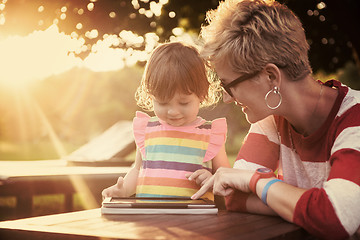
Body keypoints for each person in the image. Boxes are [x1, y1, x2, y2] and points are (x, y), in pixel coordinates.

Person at [188, 0, 360, 239]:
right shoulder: (271, 118)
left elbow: (334, 218)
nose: (227, 98)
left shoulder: (355, 118)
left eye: (229, 85)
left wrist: (256, 182)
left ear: (271, 76)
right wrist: (304, 203)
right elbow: (233, 196)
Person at [102, 42, 230, 200]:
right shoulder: (147, 130)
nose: (173, 111)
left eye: (184, 103)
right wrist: (123, 190)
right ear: (151, 96)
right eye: (162, 102)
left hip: (194, 218)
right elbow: (137, 170)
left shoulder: (210, 134)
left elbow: (226, 178)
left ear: (201, 94)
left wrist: (211, 178)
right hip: (150, 216)